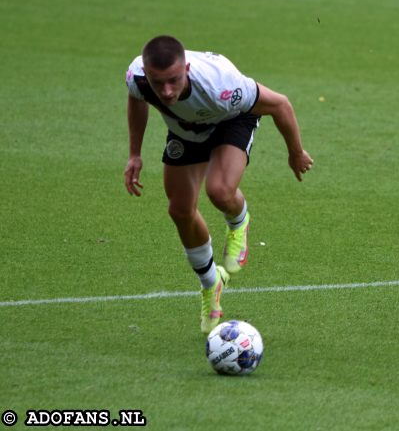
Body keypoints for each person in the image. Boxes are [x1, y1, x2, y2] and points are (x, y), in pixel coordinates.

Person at [124, 35, 314, 333]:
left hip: (231, 120)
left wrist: (295, 152)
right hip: (187, 131)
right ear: (147, 73)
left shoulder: (223, 87)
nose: (167, 91)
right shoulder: (137, 77)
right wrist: (134, 153)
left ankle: (239, 221)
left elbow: (280, 104)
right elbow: (137, 100)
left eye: (173, 80)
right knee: (179, 210)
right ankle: (211, 284)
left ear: (186, 68)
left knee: (219, 191)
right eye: (158, 82)